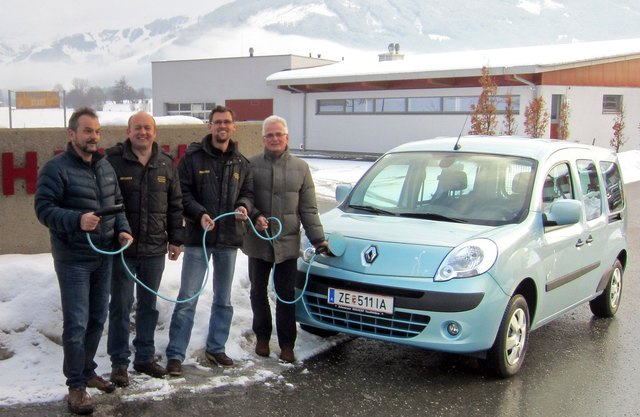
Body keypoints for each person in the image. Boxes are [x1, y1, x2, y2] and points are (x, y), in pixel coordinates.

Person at [34, 107, 133, 415]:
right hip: (73, 258)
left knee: (96, 320)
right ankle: (76, 386)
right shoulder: (56, 168)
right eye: (88, 131)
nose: (94, 137)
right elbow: (43, 209)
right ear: (72, 134)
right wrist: (78, 220)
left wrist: (123, 231)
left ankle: (87, 370)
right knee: (76, 323)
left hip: (103, 256)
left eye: (97, 131)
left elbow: (117, 207)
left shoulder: (104, 168)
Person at [165, 105, 253, 376]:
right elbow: (182, 195)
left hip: (228, 240)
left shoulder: (242, 163)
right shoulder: (192, 159)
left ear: (233, 127)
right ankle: (176, 354)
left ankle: (216, 347)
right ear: (210, 126)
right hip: (198, 239)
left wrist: (243, 206)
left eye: (227, 122)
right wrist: (200, 214)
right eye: (217, 122)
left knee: (224, 300)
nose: (222, 126)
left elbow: (248, 193)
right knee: (188, 298)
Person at [105, 112, 184, 387]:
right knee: (120, 306)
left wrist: (176, 239)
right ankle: (119, 363)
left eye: (147, 128)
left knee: (148, 307)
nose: (143, 132)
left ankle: (145, 357)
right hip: (123, 250)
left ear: (155, 131)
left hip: (154, 250)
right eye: (137, 128)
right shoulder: (112, 161)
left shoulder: (165, 163)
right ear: (128, 131)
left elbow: (175, 205)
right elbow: (106, 204)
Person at [242, 115, 328, 363]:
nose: (274, 138)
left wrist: (318, 239)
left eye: (278, 134)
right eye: (269, 135)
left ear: (287, 137)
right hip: (258, 241)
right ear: (263, 139)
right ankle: (262, 337)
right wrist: (255, 216)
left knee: (286, 294)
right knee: (258, 292)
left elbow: (309, 209)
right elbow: (245, 199)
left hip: (288, 242)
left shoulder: (301, 168)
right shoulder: (251, 164)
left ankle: (287, 343)